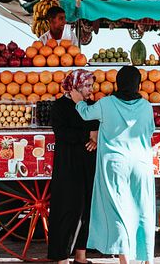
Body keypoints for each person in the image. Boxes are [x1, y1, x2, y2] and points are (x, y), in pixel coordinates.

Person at [71, 66, 156, 264]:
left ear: (118, 83)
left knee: (119, 212)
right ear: (138, 84)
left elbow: (85, 114)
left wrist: (77, 102)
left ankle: (125, 261)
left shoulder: (106, 103)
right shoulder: (146, 106)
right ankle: (147, 260)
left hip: (115, 166)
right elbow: (149, 131)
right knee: (144, 210)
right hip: (141, 164)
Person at [47, 70, 99, 264]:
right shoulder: (60, 106)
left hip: (88, 163)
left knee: (87, 209)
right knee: (66, 210)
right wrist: (88, 136)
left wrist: (93, 135)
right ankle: (61, 257)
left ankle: (80, 256)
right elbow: (62, 134)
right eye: (87, 86)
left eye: (91, 86)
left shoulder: (92, 106)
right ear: (74, 86)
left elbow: (97, 127)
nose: (90, 90)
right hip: (68, 165)